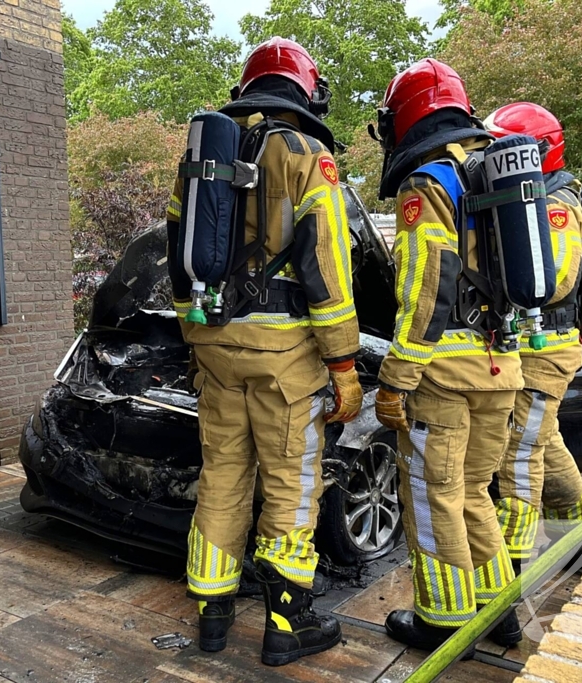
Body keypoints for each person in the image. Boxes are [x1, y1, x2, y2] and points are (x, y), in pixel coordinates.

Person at [165, 37, 363, 666]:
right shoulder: (307, 155)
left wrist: (195, 337)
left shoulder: (202, 155)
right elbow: (327, 266)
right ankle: (287, 622)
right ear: (305, 93)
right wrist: (343, 362)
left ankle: (212, 615)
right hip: (285, 359)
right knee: (290, 484)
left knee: (222, 477)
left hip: (216, 347)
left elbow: (177, 254)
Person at [372, 58, 524, 651]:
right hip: (501, 366)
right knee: (474, 492)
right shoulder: (494, 172)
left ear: (405, 119)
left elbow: (426, 286)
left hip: (445, 377)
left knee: (435, 498)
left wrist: (396, 378)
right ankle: (500, 613)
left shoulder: (430, 183)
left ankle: (442, 620)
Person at [483, 102, 582, 574]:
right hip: (534, 347)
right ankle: (577, 540)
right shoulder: (534, 199)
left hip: (545, 351)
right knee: (546, 444)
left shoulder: (556, 207)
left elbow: (557, 281)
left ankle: (513, 561)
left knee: (520, 453)